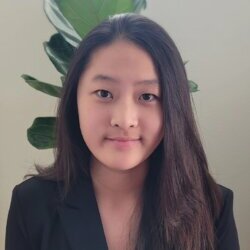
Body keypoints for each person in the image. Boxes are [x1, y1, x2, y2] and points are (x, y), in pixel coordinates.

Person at [5, 13, 240, 250]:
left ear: (173, 107)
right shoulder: (31, 205)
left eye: (147, 96)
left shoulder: (212, 209)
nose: (124, 120)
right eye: (104, 93)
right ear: (74, 99)